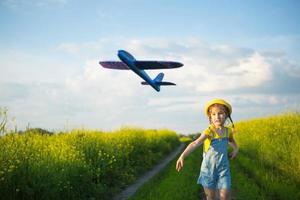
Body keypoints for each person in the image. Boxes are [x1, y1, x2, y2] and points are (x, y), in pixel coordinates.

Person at [176, 99, 238, 200]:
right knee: (211, 197)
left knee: (225, 196)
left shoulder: (228, 131)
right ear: (210, 116)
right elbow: (195, 143)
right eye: (213, 114)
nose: (217, 117)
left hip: (223, 169)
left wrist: (236, 149)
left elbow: (232, 142)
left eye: (220, 113)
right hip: (208, 170)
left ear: (226, 115)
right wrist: (182, 156)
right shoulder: (209, 131)